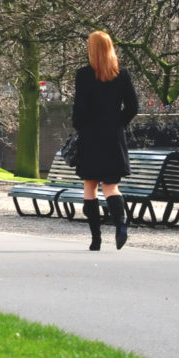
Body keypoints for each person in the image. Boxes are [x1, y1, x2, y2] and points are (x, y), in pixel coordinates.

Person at [72, 31, 139, 251]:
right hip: (112, 137)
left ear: (92, 49)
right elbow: (133, 107)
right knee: (111, 186)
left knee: (89, 187)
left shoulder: (83, 75)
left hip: (91, 136)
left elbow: (79, 109)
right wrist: (117, 122)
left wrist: (81, 126)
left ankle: (96, 239)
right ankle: (121, 225)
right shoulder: (122, 75)